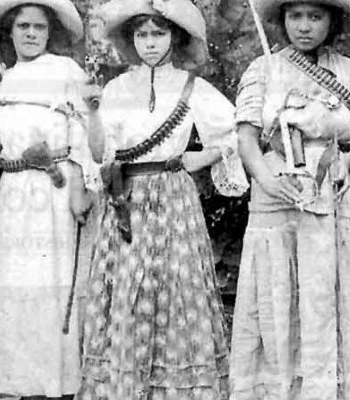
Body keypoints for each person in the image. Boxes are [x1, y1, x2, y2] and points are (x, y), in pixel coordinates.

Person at [79, 0, 248, 399]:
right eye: (142, 35)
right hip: (127, 200)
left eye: (159, 34)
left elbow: (233, 134)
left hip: (173, 197)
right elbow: (100, 154)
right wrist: (91, 114)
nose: (150, 43)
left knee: (175, 288)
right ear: (130, 39)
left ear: (176, 37)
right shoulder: (117, 88)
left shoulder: (193, 88)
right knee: (127, 289)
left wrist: (201, 156)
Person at [228, 0, 350, 399]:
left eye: (315, 16)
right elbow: (247, 139)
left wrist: (348, 163)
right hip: (277, 192)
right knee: (279, 291)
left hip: (334, 191)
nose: (304, 26)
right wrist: (268, 181)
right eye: (295, 16)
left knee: (326, 293)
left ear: (331, 21)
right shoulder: (262, 68)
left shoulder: (349, 70)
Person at [0, 0, 97, 398]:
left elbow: (84, 132)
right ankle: (25, 384)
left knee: (57, 284)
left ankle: (61, 383)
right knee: (19, 286)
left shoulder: (65, 72)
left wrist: (82, 187)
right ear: (9, 31)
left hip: (57, 190)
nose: (30, 34)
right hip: (15, 197)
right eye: (22, 26)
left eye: (38, 27)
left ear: (50, 32)